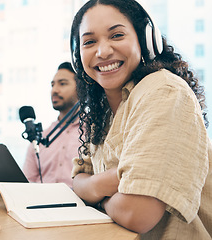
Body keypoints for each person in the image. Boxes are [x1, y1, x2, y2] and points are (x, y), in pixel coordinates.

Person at [69, 0, 212, 239]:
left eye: (116, 35)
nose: (102, 51)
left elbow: (138, 213)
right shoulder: (102, 111)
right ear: (78, 56)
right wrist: (114, 181)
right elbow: (78, 180)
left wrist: (98, 198)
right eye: (90, 42)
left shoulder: (164, 91)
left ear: (146, 41)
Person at [23, 62, 79, 188]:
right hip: (39, 203)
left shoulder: (94, 135)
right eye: (52, 85)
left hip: (77, 205)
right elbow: (27, 181)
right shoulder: (41, 138)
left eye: (62, 84)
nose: (54, 90)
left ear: (81, 88)